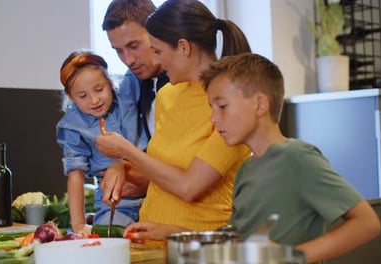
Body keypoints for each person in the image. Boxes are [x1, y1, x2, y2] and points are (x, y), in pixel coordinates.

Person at [125, 53, 381, 263]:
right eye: (212, 109)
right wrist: (173, 232)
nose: (214, 119)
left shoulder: (297, 157)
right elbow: (238, 241)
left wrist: (294, 256)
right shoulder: (248, 169)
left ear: (260, 105)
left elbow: (367, 223)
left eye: (222, 107)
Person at [96, 0, 251, 232]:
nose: (156, 61)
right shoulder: (167, 95)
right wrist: (121, 167)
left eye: (157, 51)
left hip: (199, 248)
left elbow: (189, 186)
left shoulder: (233, 106)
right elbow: (162, 170)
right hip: (148, 238)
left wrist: (125, 150)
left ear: (184, 47)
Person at [56, 51, 149, 235]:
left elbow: (141, 58)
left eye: (99, 89)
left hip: (156, 191)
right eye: (82, 96)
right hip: (117, 203)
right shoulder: (73, 126)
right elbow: (76, 176)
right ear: (71, 97)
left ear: (110, 82)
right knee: (111, 239)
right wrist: (79, 225)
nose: (95, 100)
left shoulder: (126, 93)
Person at [102, 0, 169, 141]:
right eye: (119, 51)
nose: (128, 60)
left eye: (133, 46)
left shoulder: (191, 80)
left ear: (156, 33)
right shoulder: (130, 86)